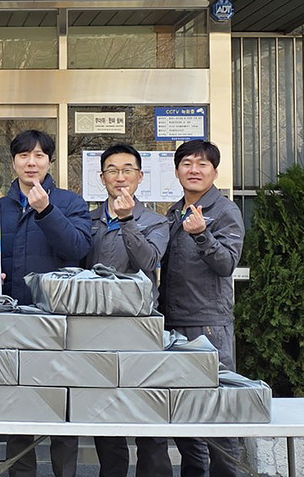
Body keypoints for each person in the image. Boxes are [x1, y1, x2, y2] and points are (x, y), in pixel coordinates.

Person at [0, 130, 92, 477]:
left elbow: (78, 249)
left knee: (62, 404)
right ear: (13, 162)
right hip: (12, 319)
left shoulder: (71, 203)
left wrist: (46, 210)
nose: (31, 162)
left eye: (39, 155)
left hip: (59, 322)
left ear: (50, 161)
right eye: (24, 155)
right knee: (17, 403)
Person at [83, 144, 172, 477]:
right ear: (101, 177)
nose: (120, 177)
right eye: (112, 170)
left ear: (140, 176)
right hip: (96, 329)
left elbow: (149, 261)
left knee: (149, 410)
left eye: (127, 170)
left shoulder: (156, 221)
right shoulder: (88, 220)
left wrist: (127, 220)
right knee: (106, 415)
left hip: (141, 329)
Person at [159, 140, 245, 477]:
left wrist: (202, 234)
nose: (194, 170)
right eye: (187, 164)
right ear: (177, 170)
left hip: (209, 325)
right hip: (173, 323)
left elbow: (226, 264)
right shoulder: (174, 212)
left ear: (215, 172)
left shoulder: (224, 211)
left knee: (218, 410)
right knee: (185, 411)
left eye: (202, 164)